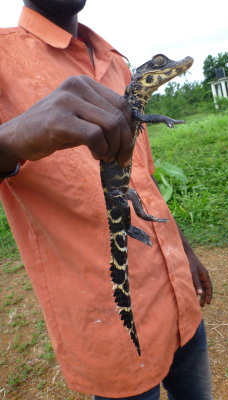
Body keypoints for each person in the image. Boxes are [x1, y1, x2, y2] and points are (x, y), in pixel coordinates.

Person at [0, 1, 213, 399]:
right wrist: (10, 138)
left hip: (177, 297)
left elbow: (144, 180)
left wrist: (186, 253)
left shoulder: (119, 64)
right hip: (108, 325)